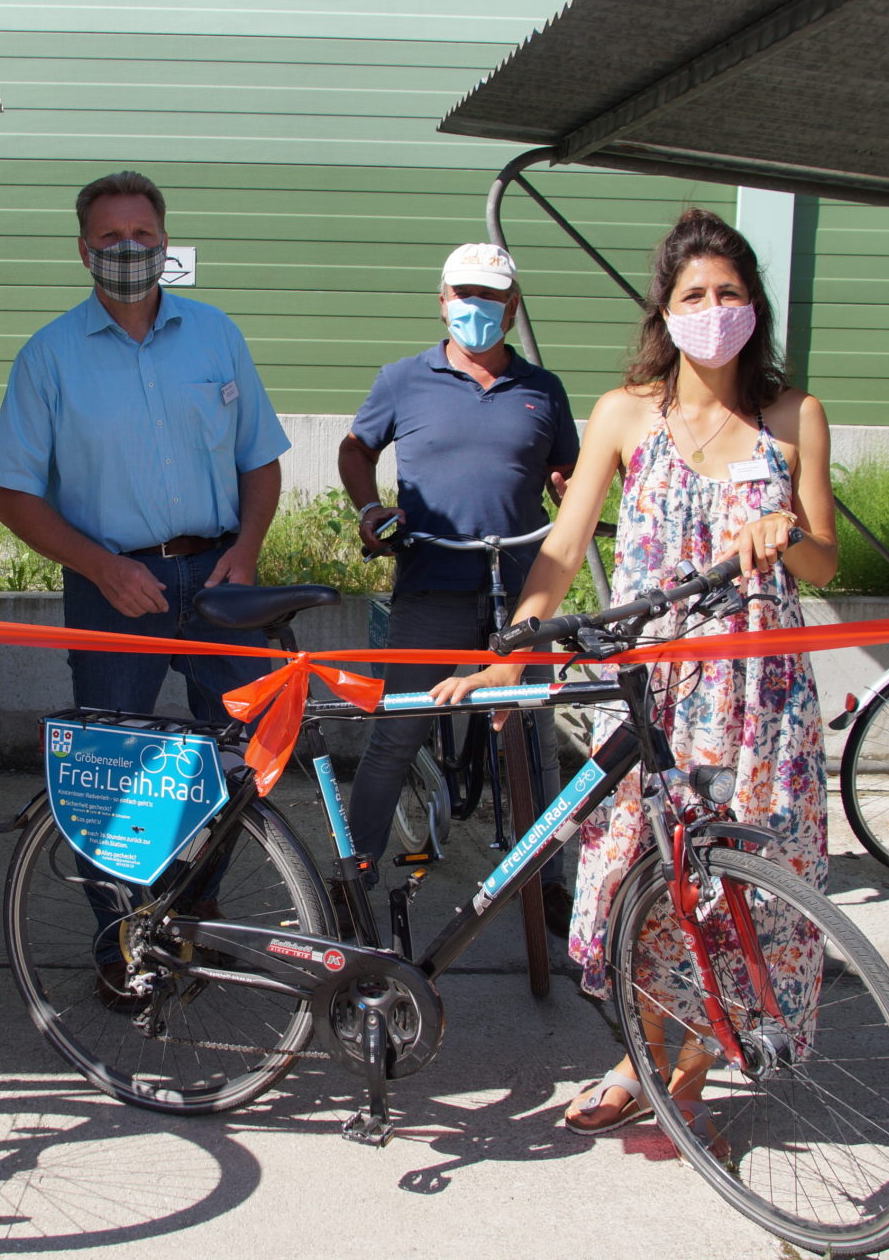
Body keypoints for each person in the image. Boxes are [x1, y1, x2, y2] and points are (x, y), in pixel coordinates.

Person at [433, 208, 837, 1137]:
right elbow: (563, 550)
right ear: (666, 309)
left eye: (730, 293)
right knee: (638, 889)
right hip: (656, 690)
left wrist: (789, 535)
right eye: (694, 294)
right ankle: (652, 1058)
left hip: (763, 702)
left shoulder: (791, 416)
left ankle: (680, 1080)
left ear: (755, 307)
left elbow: (825, 563)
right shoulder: (623, 414)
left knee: (750, 902)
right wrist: (515, 652)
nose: (713, 309)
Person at [0, 170, 289, 718]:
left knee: (245, 756)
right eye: (109, 236)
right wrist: (101, 568)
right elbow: (12, 496)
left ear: (165, 243)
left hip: (223, 576)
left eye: (143, 234)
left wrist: (248, 551)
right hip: (112, 587)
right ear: (83, 250)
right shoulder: (47, 357)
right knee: (113, 770)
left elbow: (259, 458)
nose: (129, 247)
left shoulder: (218, 335)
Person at [339, 243, 577, 928]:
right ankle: (355, 873)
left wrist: (567, 486)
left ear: (513, 305)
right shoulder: (402, 380)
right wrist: (369, 509)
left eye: (492, 296)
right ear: (442, 299)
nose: (477, 307)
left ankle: (548, 883)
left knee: (533, 740)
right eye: (464, 294)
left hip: (523, 592)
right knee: (396, 732)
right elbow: (356, 447)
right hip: (432, 582)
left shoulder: (543, 389)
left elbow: (571, 475)